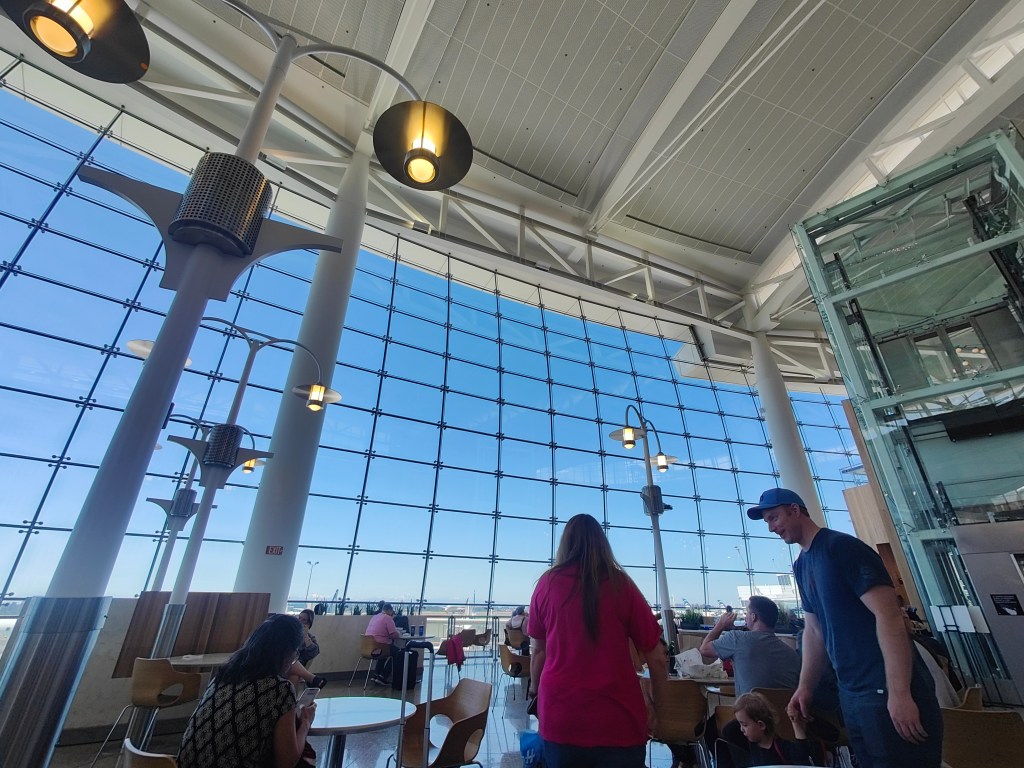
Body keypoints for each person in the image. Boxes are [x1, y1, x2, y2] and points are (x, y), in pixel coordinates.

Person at [747, 487, 942, 768]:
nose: (771, 528)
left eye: (774, 518)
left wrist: (900, 693)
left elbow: (888, 616)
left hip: (884, 688)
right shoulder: (802, 565)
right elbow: (814, 630)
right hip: (851, 693)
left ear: (795, 510)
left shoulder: (842, 548)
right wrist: (805, 687)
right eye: (767, 521)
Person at [528, 513, 668, 768]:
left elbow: (539, 652)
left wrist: (536, 693)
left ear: (565, 543)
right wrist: (658, 705)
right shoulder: (622, 585)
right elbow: (656, 656)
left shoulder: (546, 584)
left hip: (561, 716)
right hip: (618, 719)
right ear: (602, 543)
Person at [178, 613, 317, 768]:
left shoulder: (224, 675)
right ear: (286, 652)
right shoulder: (279, 689)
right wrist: (306, 722)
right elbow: (286, 763)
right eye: (295, 653)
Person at [699, 595, 800, 695]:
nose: (745, 617)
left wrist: (721, 624)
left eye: (747, 612)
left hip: (749, 705)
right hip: (782, 706)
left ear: (753, 617)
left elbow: (704, 649)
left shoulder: (736, 639)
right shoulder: (793, 655)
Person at [724, 691, 815, 766]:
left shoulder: (781, 747)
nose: (741, 729)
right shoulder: (750, 744)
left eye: (744, 725)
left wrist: (795, 723)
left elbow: (802, 755)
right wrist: (742, 717)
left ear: (761, 725)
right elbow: (728, 731)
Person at [286, 609, 327, 690]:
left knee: (295, 676)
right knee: (292, 667)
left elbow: (314, 652)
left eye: (304, 620)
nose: (300, 621)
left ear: (308, 624)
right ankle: (312, 679)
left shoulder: (309, 637)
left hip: (296, 664)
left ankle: (291, 698)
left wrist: (305, 635)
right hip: (282, 662)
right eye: (299, 618)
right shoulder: (288, 633)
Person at [365, 601, 401, 685]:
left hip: (369, 647)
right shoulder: (388, 618)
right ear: (389, 610)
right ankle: (383, 676)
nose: (392, 614)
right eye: (392, 612)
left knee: (385, 651)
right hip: (379, 647)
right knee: (398, 653)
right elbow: (394, 634)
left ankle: (376, 675)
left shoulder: (375, 617)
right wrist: (399, 633)